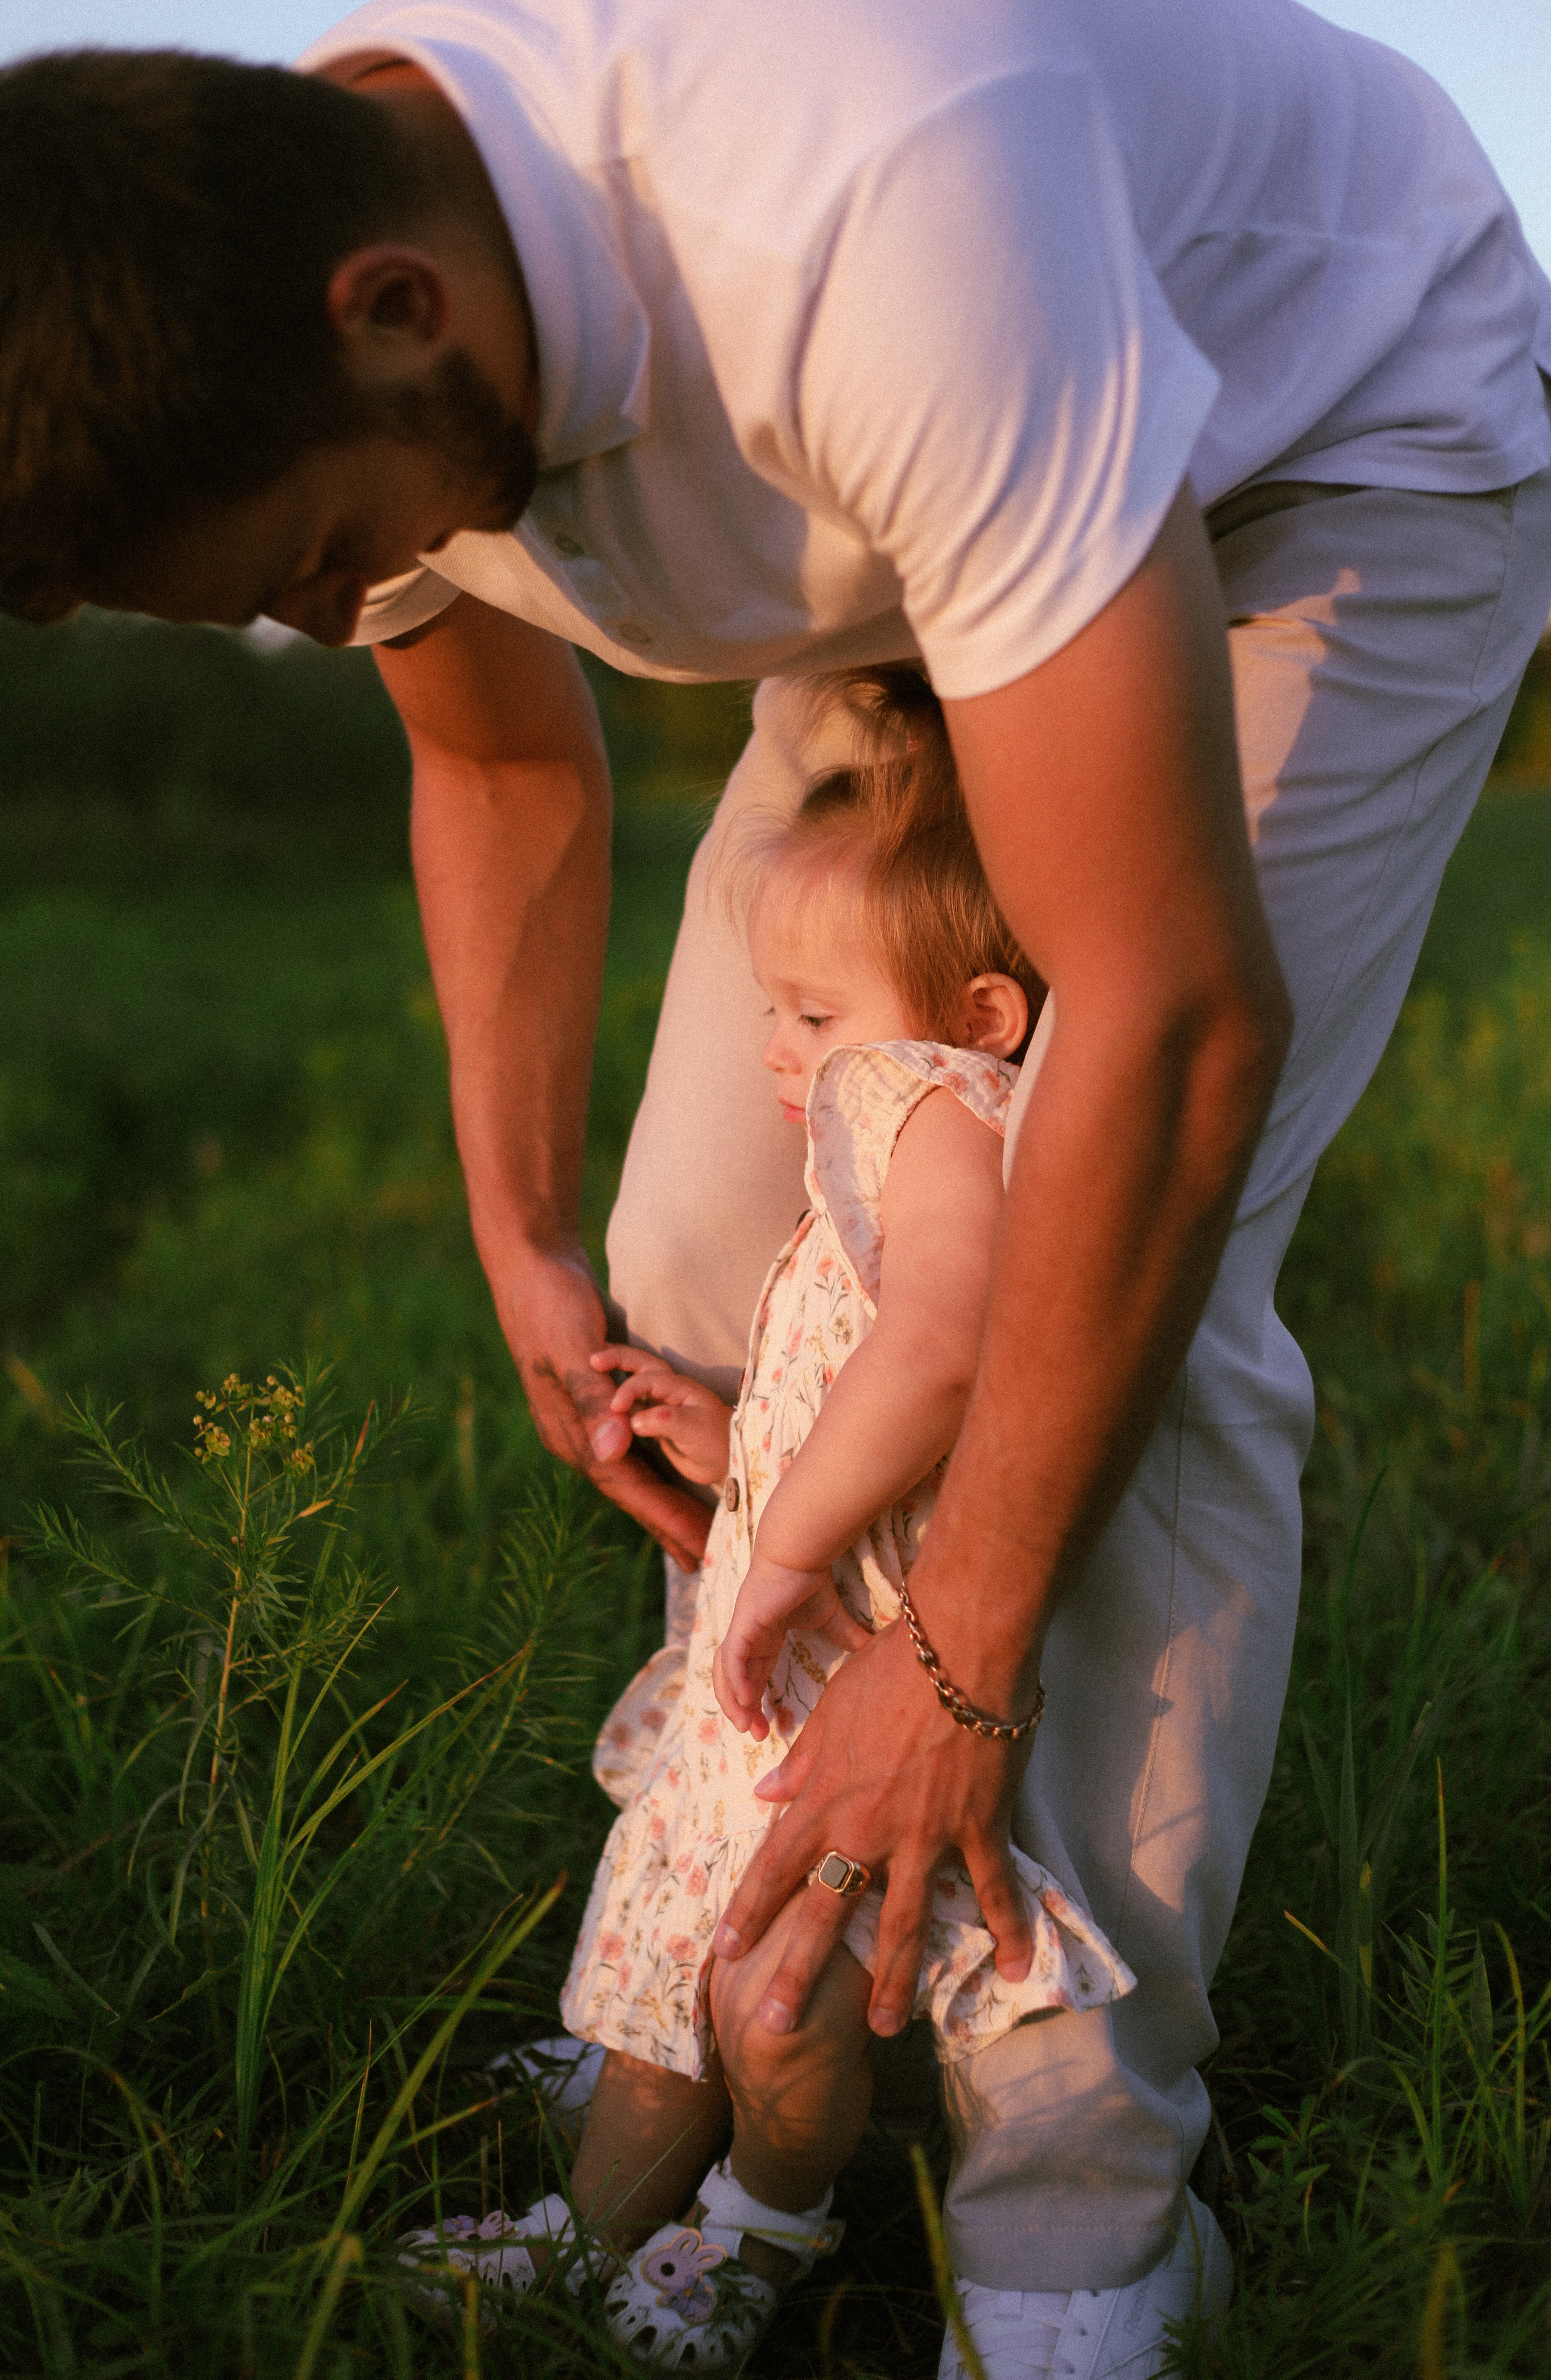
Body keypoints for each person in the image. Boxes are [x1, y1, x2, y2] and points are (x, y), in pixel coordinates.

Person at [0, 8, 1551, 2371]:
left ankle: (1080, 2217)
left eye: (314, 563)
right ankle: (745, 2007)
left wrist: (958, 1654)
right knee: (721, 1262)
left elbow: (1171, 1025)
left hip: (1331, 452)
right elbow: (501, 769)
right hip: (933, 538)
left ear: (395, 311)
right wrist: (521, 1232)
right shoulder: (319, 303)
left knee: (1106, 1286)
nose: (335, 615)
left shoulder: (868, 198)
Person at [399, 671, 1150, 2371]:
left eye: (810, 1014)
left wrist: (787, 1543)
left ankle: (762, 2221)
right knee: (681, 1980)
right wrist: (739, 1443)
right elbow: (870, 1387)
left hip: (842, 1680)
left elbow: (941, 1345)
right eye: (775, 1010)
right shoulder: (897, 1114)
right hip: (787, 1681)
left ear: (981, 1012)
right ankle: (594, 2230)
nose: (775, 1051)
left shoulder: (928, 1104)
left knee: (779, 1999)